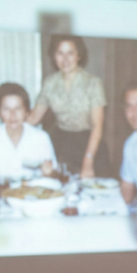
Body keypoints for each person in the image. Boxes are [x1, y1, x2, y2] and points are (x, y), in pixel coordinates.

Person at [27, 35, 107, 178]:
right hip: (61, 143)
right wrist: (9, 127)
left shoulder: (93, 83)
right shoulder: (49, 83)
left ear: (79, 55)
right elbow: (33, 118)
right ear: (54, 56)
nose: (65, 59)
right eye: (60, 53)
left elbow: (97, 127)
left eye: (70, 53)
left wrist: (87, 162)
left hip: (89, 144)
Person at [0, 82, 57, 185]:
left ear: (26, 111)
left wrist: (49, 172)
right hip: (0, 195)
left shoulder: (41, 138)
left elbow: (54, 174)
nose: (12, 115)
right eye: (6, 109)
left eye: (18, 108)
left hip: (33, 197)